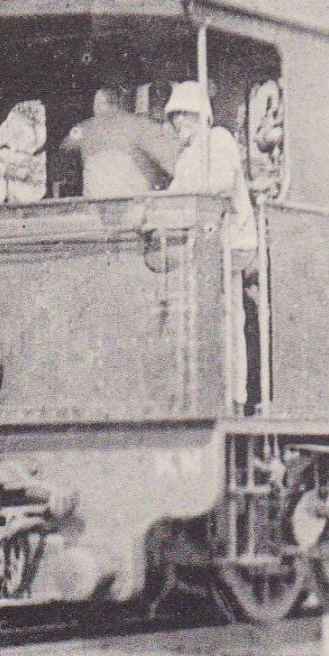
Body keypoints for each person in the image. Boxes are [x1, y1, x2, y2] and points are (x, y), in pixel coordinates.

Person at [164, 80, 259, 410]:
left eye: (184, 117)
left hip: (230, 242)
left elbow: (217, 184)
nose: (179, 124)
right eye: (175, 117)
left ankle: (234, 396)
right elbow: (176, 193)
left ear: (200, 116)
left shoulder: (218, 141)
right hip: (208, 243)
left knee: (228, 318)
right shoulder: (189, 155)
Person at [60, 85, 172, 198]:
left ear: (99, 104)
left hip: (97, 204)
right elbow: (167, 158)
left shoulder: (84, 128)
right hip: (134, 202)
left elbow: (65, 146)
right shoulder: (138, 124)